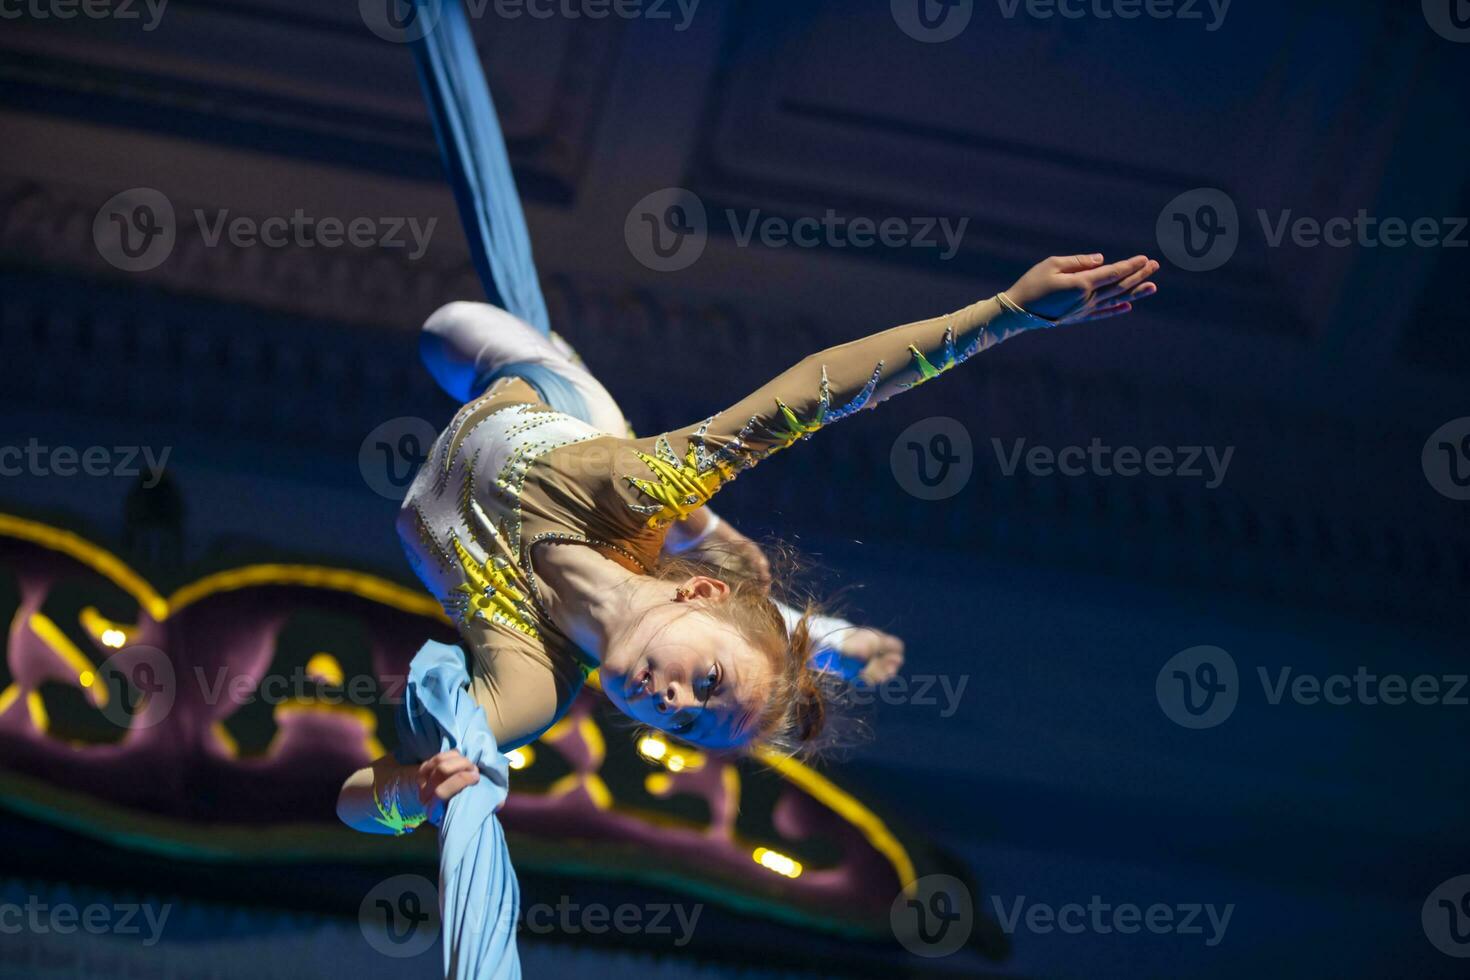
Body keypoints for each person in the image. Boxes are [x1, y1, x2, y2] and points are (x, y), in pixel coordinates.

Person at [338, 251, 1160, 837]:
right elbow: (817, 390)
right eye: (708, 681)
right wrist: (1005, 314)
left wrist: (415, 789)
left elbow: (351, 797)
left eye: (692, 726)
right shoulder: (641, 488)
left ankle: (777, 599)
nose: (680, 705)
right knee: (444, 330)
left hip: (498, 501)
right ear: (697, 595)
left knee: (708, 549)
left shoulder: (528, 688)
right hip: (554, 402)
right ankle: (733, 552)